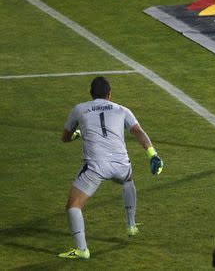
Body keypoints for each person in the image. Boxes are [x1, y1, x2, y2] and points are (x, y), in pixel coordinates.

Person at [58, 76, 163, 259]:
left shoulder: (79, 109)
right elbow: (138, 131)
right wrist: (152, 154)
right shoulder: (122, 110)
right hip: (121, 165)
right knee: (128, 180)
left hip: (96, 167)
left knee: (73, 206)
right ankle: (131, 225)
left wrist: (77, 134)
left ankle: (82, 250)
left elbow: (65, 137)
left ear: (91, 94)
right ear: (110, 94)